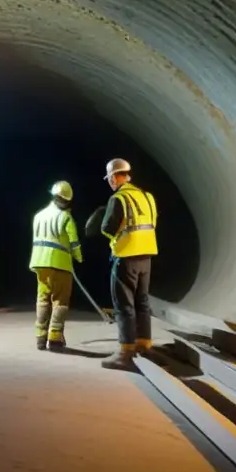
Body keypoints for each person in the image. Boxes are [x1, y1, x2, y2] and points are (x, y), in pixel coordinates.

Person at [99, 158, 158, 370]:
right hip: (147, 255)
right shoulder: (147, 197)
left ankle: (125, 352)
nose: (110, 183)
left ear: (115, 177)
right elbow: (152, 224)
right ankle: (145, 345)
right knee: (142, 301)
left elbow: (107, 228)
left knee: (124, 305)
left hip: (126, 257)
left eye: (110, 179)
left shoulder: (119, 199)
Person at [29, 180, 82, 352]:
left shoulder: (38, 216)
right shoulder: (66, 217)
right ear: (67, 200)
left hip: (40, 263)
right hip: (60, 264)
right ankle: (55, 337)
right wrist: (79, 258)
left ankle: (40, 337)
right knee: (60, 301)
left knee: (42, 299)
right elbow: (74, 243)